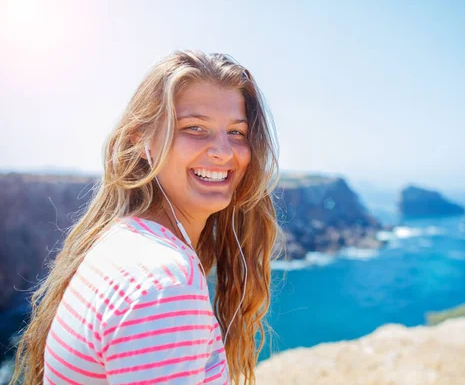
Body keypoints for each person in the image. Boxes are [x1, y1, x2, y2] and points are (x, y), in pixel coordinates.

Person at [11, 50, 282, 385]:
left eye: (237, 133)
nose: (224, 151)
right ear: (141, 140)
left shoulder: (120, 240)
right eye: (195, 128)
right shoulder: (163, 285)